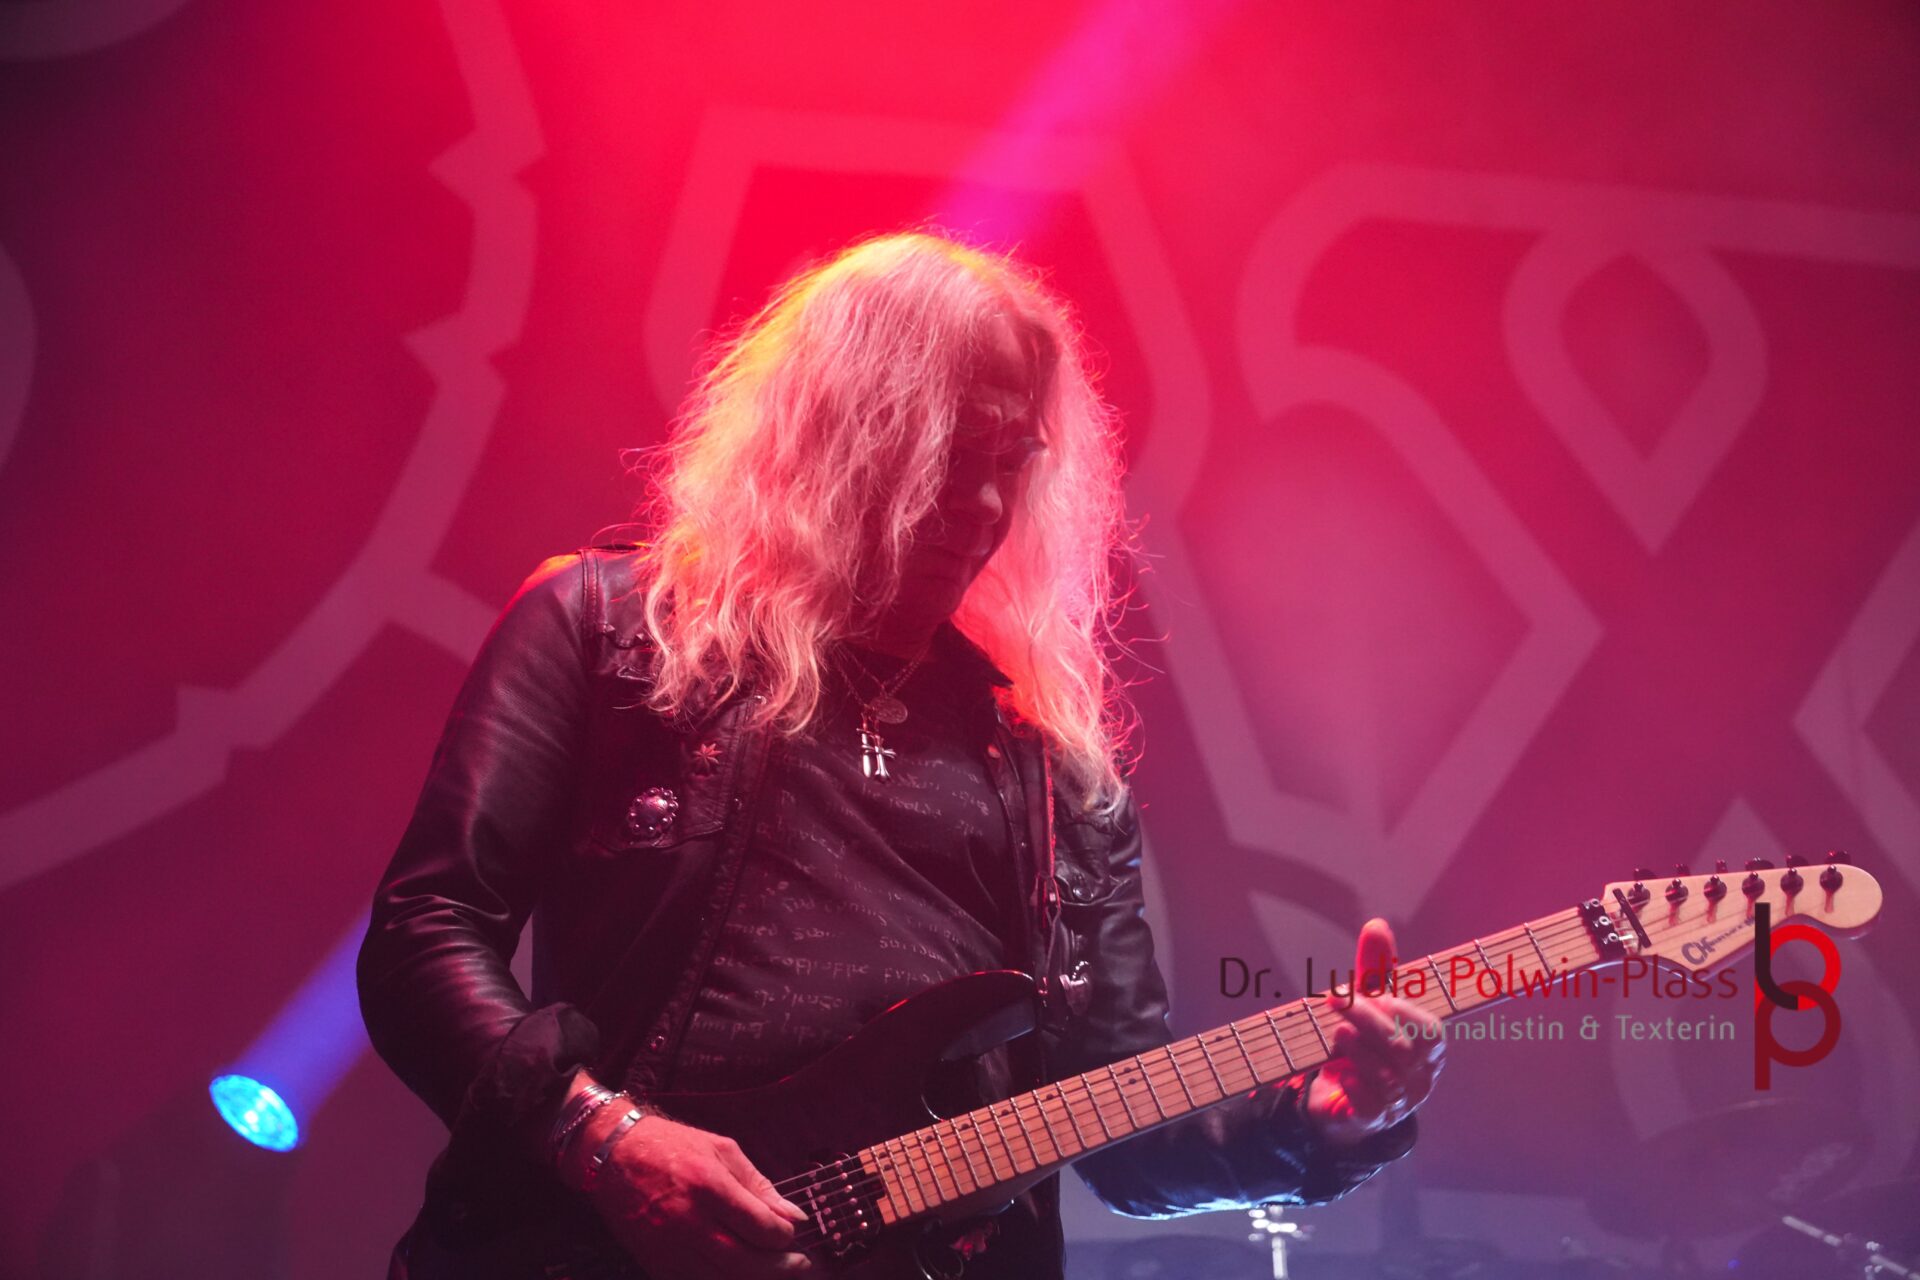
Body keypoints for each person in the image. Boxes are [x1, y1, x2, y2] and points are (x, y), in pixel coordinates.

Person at [357, 231, 1443, 1279]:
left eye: (1010, 463)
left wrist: (1322, 1125)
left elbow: (1121, 1134)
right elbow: (424, 936)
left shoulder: (1057, 773)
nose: (986, 505)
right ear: (838, 434)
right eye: (951, 456)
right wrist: (602, 1135)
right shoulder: (607, 633)